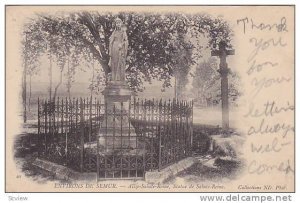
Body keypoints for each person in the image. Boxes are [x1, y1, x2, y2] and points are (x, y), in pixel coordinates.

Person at [108, 18, 128, 82]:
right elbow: (111, 41)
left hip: (120, 49)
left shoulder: (123, 32)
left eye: (119, 23)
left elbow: (126, 41)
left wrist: (122, 44)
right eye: (117, 23)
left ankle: (119, 78)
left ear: (121, 24)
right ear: (115, 24)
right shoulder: (114, 32)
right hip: (114, 48)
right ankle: (114, 78)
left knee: (121, 63)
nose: (118, 24)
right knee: (114, 63)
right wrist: (110, 51)